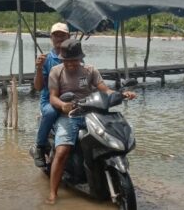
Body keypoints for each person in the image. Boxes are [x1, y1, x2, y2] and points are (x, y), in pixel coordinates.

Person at [46, 39, 136, 204]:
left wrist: (122, 94)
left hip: (93, 113)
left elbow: (105, 90)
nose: (72, 64)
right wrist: (63, 105)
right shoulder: (55, 71)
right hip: (70, 115)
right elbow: (52, 97)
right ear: (63, 59)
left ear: (81, 58)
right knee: (62, 151)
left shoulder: (90, 71)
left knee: (107, 141)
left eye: (75, 60)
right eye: (68, 60)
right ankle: (53, 192)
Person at [32, 23, 70, 167]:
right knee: (50, 113)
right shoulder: (46, 59)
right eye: (56, 35)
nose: (59, 38)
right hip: (49, 100)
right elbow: (38, 87)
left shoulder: (75, 57)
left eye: (63, 35)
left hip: (71, 99)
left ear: (69, 37)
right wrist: (39, 68)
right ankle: (40, 147)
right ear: (51, 38)